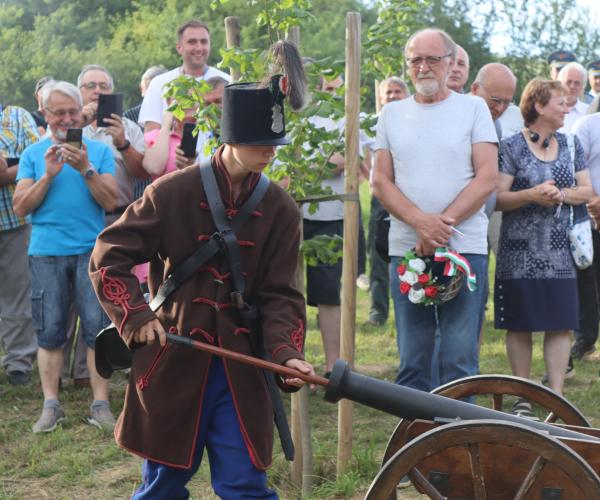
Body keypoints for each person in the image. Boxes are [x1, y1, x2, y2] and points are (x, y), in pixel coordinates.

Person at [88, 40, 315, 499]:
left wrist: (287, 353)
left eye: (273, 143)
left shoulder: (281, 209)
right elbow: (108, 254)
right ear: (231, 136)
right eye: (257, 142)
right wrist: (135, 316)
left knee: (244, 485)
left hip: (242, 367)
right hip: (173, 355)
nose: (268, 153)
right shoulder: (172, 191)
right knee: (162, 486)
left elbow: (281, 294)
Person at [372, 28, 497, 391]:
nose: (424, 67)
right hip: (407, 251)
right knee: (413, 360)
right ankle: (416, 443)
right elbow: (380, 182)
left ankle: (458, 443)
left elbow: (487, 177)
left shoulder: (473, 108)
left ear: (450, 62)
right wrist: (420, 225)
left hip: (463, 248)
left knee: (459, 359)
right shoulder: (391, 115)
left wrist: (441, 227)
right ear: (408, 65)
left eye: (432, 59)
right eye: (416, 60)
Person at [13, 81, 118, 433]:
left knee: (96, 330)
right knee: (50, 331)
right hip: (45, 252)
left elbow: (110, 202)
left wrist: (85, 168)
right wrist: (48, 176)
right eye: (60, 112)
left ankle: (100, 404)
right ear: (45, 114)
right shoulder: (33, 154)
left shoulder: (99, 151)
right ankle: (50, 404)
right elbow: (22, 207)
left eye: (73, 112)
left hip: (91, 251)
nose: (68, 119)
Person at [494, 78, 593, 398]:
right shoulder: (511, 146)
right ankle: (523, 394)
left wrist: (560, 194)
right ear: (538, 105)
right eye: (560, 103)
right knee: (520, 323)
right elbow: (497, 198)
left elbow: (587, 191)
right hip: (517, 250)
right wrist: (532, 195)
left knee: (560, 322)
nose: (567, 109)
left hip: (559, 250)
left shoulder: (571, 144)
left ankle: (556, 395)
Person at [0, 102, 40, 385]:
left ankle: (18, 363)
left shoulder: (17, 116)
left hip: (12, 221)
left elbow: (36, 159)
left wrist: (7, 172)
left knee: (16, 293)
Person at [78, 64, 147, 224]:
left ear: (111, 91)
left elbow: (143, 174)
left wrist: (123, 144)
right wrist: (77, 125)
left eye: (103, 86)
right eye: (90, 86)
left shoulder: (129, 127)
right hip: (77, 219)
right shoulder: (69, 127)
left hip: (118, 218)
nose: (97, 90)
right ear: (79, 92)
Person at [366, 76, 409, 326]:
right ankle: (378, 310)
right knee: (378, 254)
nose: (392, 96)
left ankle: (411, 301)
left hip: (408, 195)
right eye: (388, 93)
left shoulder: (415, 122)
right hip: (380, 198)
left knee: (408, 252)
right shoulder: (369, 125)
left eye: (397, 91)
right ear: (380, 99)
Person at [138, 20, 230, 134]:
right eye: (192, 42)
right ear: (179, 47)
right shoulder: (159, 84)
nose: (199, 47)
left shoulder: (228, 82)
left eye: (204, 42)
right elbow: (151, 137)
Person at [571, 112, 600, 359]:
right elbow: (575, 168)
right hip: (591, 217)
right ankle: (585, 338)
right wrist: (595, 203)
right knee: (588, 280)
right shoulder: (588, 125)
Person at [557, 62, 589, 133]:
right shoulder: (549, 109)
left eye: (577, 83)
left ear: (583, 86)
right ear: (560, 83)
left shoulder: (588, 112)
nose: (572, 86)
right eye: (568, 82)